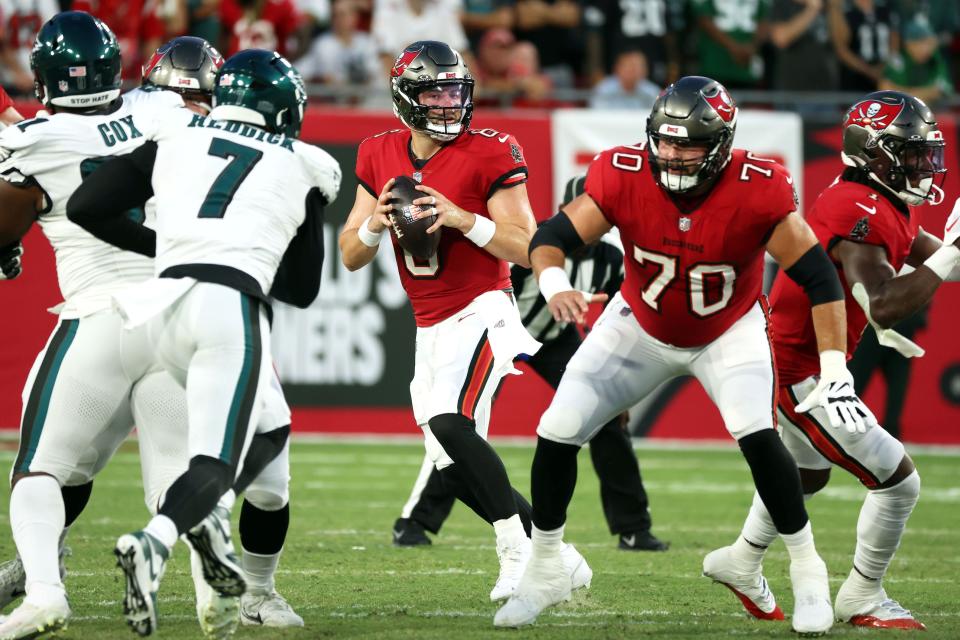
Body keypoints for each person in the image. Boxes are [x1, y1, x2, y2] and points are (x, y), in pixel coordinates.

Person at [493, 75, 874, 635]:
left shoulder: (758, 185)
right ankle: (546, 567)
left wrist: (836, 367)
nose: (672, 154)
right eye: (665, 141)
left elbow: (819, 279)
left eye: (688, 144)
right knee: (557, 427)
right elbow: (550, 236)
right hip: (639, 324)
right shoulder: (623, 172)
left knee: (757, 433)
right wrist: (554, 286)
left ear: (720, 143)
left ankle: (807, 570)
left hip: (727, 329)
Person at [66, 49, 340, 635]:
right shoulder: (304, 162)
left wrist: (164, 249)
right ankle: (158, 539)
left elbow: (86, 205)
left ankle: (221, 541)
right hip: (227, 307)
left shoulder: (175, 134)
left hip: (158, 309)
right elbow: (302, 289)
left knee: (269, 434)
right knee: (215, 463)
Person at [338, 40, 590, 603]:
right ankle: (561, 557)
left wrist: (461, 218)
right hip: (429, 325)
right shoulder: (377, 151)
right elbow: (351, 251)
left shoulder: (492, 150)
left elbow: (527, 246)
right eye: (435, 91)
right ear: (406, 97)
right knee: (449, 464)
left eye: (456, 90)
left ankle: (518, 552)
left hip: (483, 308)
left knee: (453, 424)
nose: (450, 103)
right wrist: (376, 225)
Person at [705, 90, 957, 630]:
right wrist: (954, 253)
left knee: (807, 477)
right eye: (910, 154)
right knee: (899, 481)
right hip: (801, 372)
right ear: (873, 152)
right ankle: (862, 594)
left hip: (801, 363)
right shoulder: (857, 208)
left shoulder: (882, 200)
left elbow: (939, 262)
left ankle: (743, 559)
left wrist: (957, 250)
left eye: (925, 154)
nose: (923, 165)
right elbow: (886, 304)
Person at [0, 13, 192, 638]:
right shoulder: (165, 108)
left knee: (37, 470)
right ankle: (236, 597)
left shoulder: (32, 142)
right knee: (173, 487)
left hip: (100, 317)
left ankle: (45, 589)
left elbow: (3, 229)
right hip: (178, 313)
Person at [393, 175, 668, 552]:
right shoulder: (537, 246)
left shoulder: (610, 260)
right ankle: (415, 520)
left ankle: (633, 527)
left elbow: (627, 314)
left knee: (607, 419)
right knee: (459, 426)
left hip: (555, 340)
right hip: (501, 332)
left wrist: (617, 379)